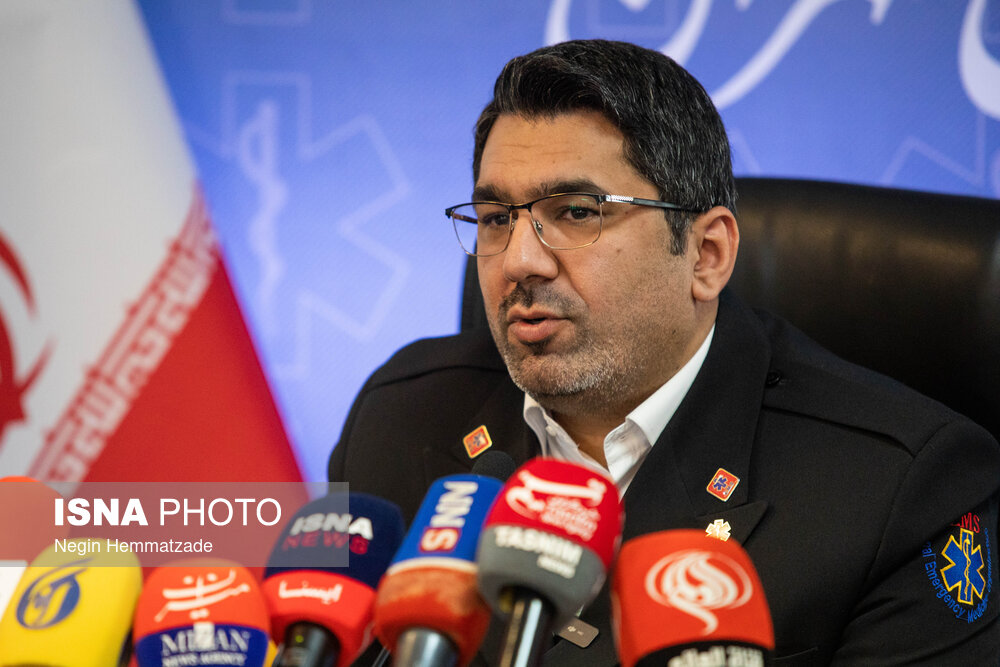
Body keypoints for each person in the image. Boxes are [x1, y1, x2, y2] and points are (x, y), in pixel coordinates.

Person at [329, 40, 1000, 665]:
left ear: (706, 255)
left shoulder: (903, 490)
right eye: (497, 218)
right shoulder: (400, 414)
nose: (519, 261)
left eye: (577, 211)